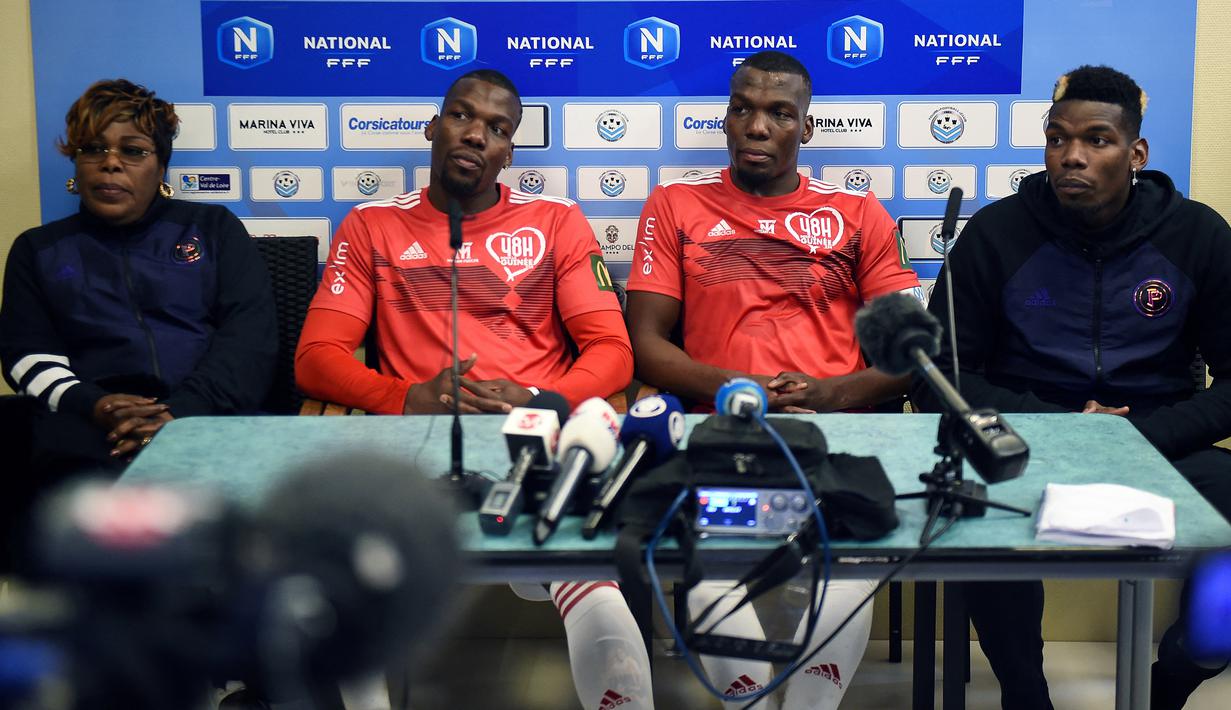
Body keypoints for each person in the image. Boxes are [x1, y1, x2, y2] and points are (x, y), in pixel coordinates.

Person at [293, 69, 648, 709]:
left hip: (534, 443)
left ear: (509, 151)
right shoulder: (373, 224)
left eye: (496, 128)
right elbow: (316, 359)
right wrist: (408, 397)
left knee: (593, 581)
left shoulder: (557, 220)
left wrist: (545, 402)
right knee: (348, 581)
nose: (475, 135)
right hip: (412, 447)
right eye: (462, 116)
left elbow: (612, 352)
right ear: (434, 126)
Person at [912, 65, 1231, 710]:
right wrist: (1061, 426)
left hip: (1155, 438)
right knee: (978, 514)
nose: (1072, 156)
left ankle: (1177, 672)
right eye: (1057, 139)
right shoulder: (996, 233)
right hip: (1028, 437)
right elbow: (943, 375)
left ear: (1135, 152)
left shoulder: (1197, 235)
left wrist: (1136, 435)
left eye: (1096, 140)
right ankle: (1025, 695)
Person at [626, 51, 922, 707]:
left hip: (832, 442)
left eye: (778, 113)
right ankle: (748, 698)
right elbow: (644, 347)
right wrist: (736, 384)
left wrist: (828, 393)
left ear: (805, 130)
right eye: (742, 108)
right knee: (703, 563)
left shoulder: (858, 211)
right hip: (717, 438)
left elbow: (905, 355)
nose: (756, 126)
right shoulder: (675, 204)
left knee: (849, 561)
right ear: (726, 119)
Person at [0, 79, 277, 557]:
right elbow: (25, 355)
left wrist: (180, 415)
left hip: (206, 421)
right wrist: (96, 404)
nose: (110, 163)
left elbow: (249, 339)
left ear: (161, 165)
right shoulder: (38, 249)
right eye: (93, 149)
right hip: (88, 431)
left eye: (133, 151)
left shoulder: (213, 229)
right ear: (76, 163)